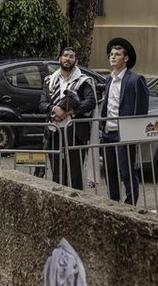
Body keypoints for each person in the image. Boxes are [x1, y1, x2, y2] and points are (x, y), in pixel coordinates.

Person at [39, 46, 96, 190]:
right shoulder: (49, 80)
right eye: (65, 55)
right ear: (60, 59)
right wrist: (54, 109)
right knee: (57, 172)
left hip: (75, 131)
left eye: (71, 56)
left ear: (75, 61)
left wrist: (70, 112)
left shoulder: (84, 81)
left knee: (74, 173)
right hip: (54, 131)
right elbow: (42, 103)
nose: (67, 59)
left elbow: (90, 101)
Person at [101, 37, 149, 205]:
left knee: (127, 172)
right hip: (108, 132)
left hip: (125, 133)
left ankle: (130, 206)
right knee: (109, 173)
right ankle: (114, 203)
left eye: (117, 54)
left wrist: (135, 133)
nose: (113, 57)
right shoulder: (108, 80)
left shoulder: (135, 80)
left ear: (126, 58)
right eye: (111, 54)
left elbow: (141, 109)